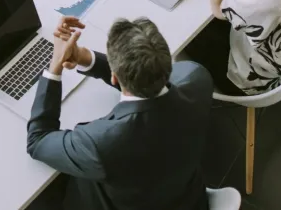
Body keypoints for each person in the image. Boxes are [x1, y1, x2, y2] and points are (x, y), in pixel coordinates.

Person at [27, 16, 212, 210]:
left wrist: (55, 66)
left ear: (114, 77)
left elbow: (38, 140)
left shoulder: (99, 144)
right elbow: (152, 78)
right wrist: (85, 58)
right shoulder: (198, 80)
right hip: (190, 201)